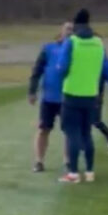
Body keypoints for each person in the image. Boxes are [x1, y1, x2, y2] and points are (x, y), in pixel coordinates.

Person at [57, 9, 108, 183]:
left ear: (76, 25)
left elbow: (61, 67)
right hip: (91, 95)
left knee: (72, 133)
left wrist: (61, 74)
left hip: (72, 94)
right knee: (86, 133)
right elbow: (107, 69)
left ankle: (73, 173)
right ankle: (90, 171)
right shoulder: (99, 43)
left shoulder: (72, 42)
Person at [28, 22, 73, 172]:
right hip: (49, 97)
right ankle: (39, 161)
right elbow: (37, 70)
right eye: (67, 29)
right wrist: (32, 91)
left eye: (72, 30)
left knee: (69, 130)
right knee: (43, 129)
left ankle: (68, 161)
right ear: (61, 30)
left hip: (68, 96)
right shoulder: (49, 48)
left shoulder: (75, 49)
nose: (70, 32)